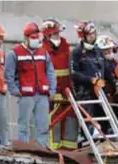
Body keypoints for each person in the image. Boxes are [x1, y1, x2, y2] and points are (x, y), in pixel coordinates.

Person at [5, 22, 56, 147]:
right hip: (25, 95)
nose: (35, 41)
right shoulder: (15, 53)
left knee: (43, 125)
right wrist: (14, 90)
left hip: (42, 95)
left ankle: (42, 148)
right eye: (33, 38)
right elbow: (9, 74)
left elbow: (50, 72)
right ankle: (24, 149)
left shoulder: (43, 53)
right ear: (26, 38)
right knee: (24, 125)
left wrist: (52, 90)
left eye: (37, 38)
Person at [41, 18, 77, 150]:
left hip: (67, 94)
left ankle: (70, 149)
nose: (58, 37)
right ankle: (54, 149)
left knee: (71, 121)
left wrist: (70, 90)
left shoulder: (65, 47)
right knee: (53, 123)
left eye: (58, 34)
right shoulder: (42, 51)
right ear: (47, 35)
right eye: (55, 34)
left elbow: (69, 70)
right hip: (52, 96)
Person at [70, 20, 105, 138]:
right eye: (90, 34)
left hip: (100, 92)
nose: (92, 36)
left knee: (104, 121)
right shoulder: (76, 52)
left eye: (94, 34)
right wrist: (91, 80)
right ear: (83, 36)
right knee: (90, 124)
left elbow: (105, 68)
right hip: (85, 93)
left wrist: (115, 81)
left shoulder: (98, 51)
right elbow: (73, 74)